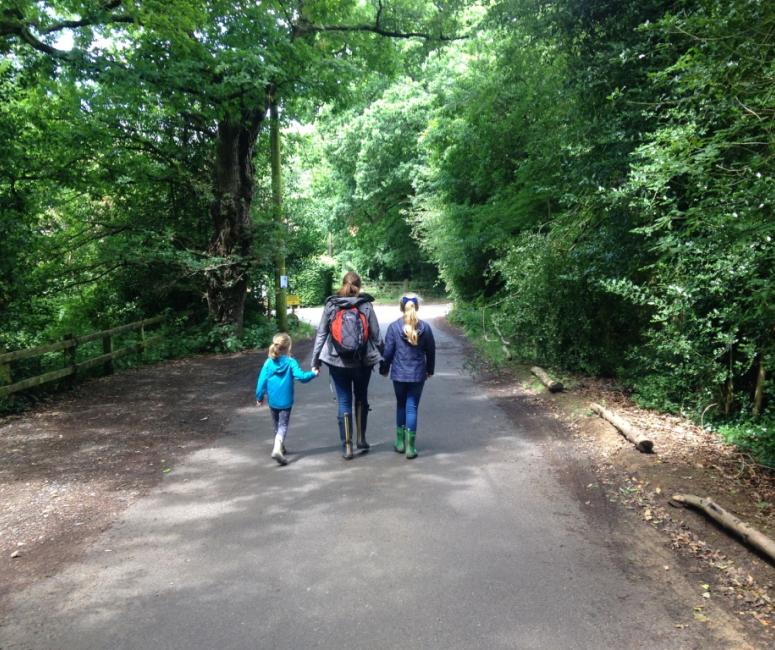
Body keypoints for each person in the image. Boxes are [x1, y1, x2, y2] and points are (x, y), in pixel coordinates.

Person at [311, 272, 383, 460]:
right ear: (359, 286)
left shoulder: (332, 305)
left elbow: (321, 335)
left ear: (343, 284)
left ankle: (348, 446)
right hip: (362, 361)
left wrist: (316, 361)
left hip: (337, 361)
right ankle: (361, 438)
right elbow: (376, 336)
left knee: (344, 402)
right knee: (361, 399)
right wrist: (384, 360)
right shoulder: (366, 305)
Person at [379, 293, 435, 459]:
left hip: (399, 374)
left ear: (401, 307)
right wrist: (430, 369)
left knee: (401, 406)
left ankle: (400, 442)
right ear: (417, 307)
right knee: (412, 408)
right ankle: (411, 447)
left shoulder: (394, 327)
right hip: (418, 374)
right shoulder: (425, 328)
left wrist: (384, 368)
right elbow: (430, 351)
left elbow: (388, 352)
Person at [256, 333, 319, 466]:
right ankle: (277, 448)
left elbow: (261, 381)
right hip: (286, 401)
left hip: (273, 400)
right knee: (283, 425)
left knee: (276, 423)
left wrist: (259, 397)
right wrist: (313, 373)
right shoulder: (291, 362)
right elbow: (301, 377)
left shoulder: (268, 362)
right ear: (288, 347)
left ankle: (280, 446)